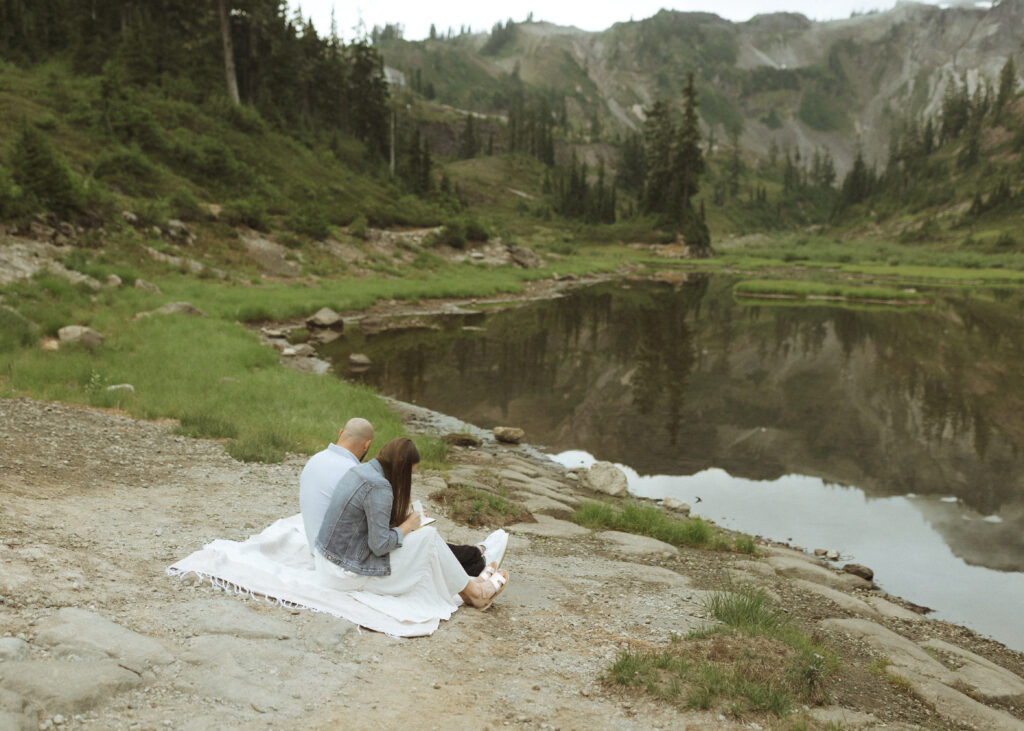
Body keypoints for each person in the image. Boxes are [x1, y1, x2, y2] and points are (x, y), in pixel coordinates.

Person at [314, 438, 508, 612]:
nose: (410, 479)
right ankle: (476, 594)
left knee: (424, 538)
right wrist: (408, 525)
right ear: (402, 469)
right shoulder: (380, 487)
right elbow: (379, 546)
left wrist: (404, 521)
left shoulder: (361, 471)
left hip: (329, 562)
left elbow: (366, 523)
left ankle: (468, 587)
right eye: (410, 474)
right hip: (345, 573)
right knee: (429, 538)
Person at [300, 420, 508, 573]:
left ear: (341, 433)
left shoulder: (319, 460)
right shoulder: (359, 475)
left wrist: (404, 522)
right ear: (367, 445)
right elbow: (377, 542)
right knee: (424, 540)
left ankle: (475, 556)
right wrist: (407, 525)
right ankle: (475, 557)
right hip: (344, 553)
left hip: (325, 544)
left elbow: (359, 515)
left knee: (416, 536)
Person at [299, 417, 374, 554]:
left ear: (340, 433)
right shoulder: (354, 473)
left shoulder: (315, 459)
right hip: (339, 558)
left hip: (316, 548)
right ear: (366, 445)